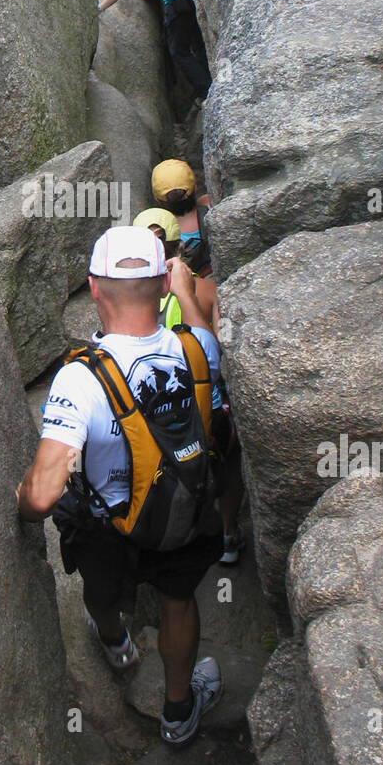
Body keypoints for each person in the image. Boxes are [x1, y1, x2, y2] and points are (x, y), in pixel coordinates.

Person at [16, 226, 224, 747]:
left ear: (93, 288)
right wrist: (185, 294)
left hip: (108, 525)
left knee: (101, 589)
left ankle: (115, 641)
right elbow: (209, 339)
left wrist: (19, 502)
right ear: (160, 285)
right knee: (179, 599)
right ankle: (179, 712)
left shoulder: (79, 379)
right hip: (183, 510)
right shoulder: (196, 348)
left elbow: (42, 496)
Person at [149, 164, 246, 566]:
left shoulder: (139, 302)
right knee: (228, 459)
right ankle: (227, 534)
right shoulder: (206, 288)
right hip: (212, 399)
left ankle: (176, 526)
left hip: (166, 404)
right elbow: (218, 345)